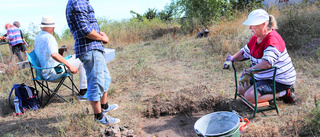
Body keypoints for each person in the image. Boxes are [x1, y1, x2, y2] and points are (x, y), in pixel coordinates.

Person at [223, 9, 296, 104]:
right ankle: (266, 93)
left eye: (253, 25)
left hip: (279, 79)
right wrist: (232, 58)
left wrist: (248, 72)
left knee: (249, 97)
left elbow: (267, 64)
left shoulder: (272, 39)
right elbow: (244, 53)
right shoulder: (256, 38)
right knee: (241, 90)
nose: (249, 27)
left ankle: (284, 92)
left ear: (263, 24)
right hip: (262, 76)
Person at [66, 0, 120, 124]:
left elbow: (85, 27)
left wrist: (98, 33)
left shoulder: (80, 2)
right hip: (89, 49)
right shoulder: (78, 2)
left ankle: (104, 106)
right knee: (96, 83)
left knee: (105, 78)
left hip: (93, 48)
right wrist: (102, 38)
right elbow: (85, 30)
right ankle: (99, 116)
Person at [34, 15, 88, 99]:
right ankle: (84, 92)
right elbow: (54, 54)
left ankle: (84, 90)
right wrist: (70, 66)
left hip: (43, 72)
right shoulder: (49, 38)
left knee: (75, 57)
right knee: (82, 59)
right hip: (53, 72)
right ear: (53, 28)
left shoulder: (37, 38)